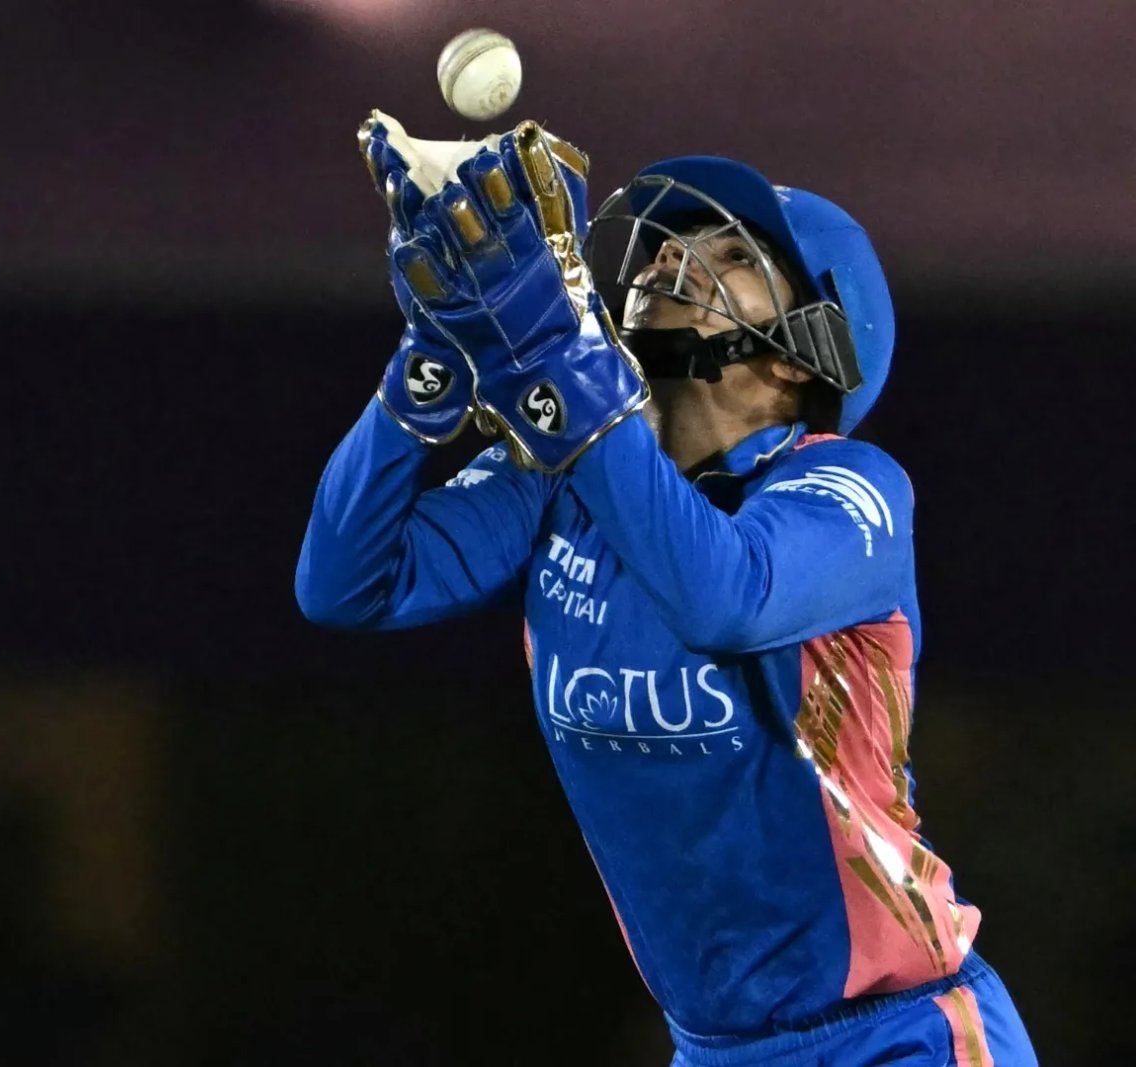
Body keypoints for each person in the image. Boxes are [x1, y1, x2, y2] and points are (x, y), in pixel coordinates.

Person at [295, 114, 1038, 1066]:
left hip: (899, 1032)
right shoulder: (561, 481)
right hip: (715, 1048)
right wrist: (423, 381)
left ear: (799, 350)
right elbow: (347, 583)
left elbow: (722, 595)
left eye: (732, 254)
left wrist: (564, 370)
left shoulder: (851, 489)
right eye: (673, 241)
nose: (669, 255)